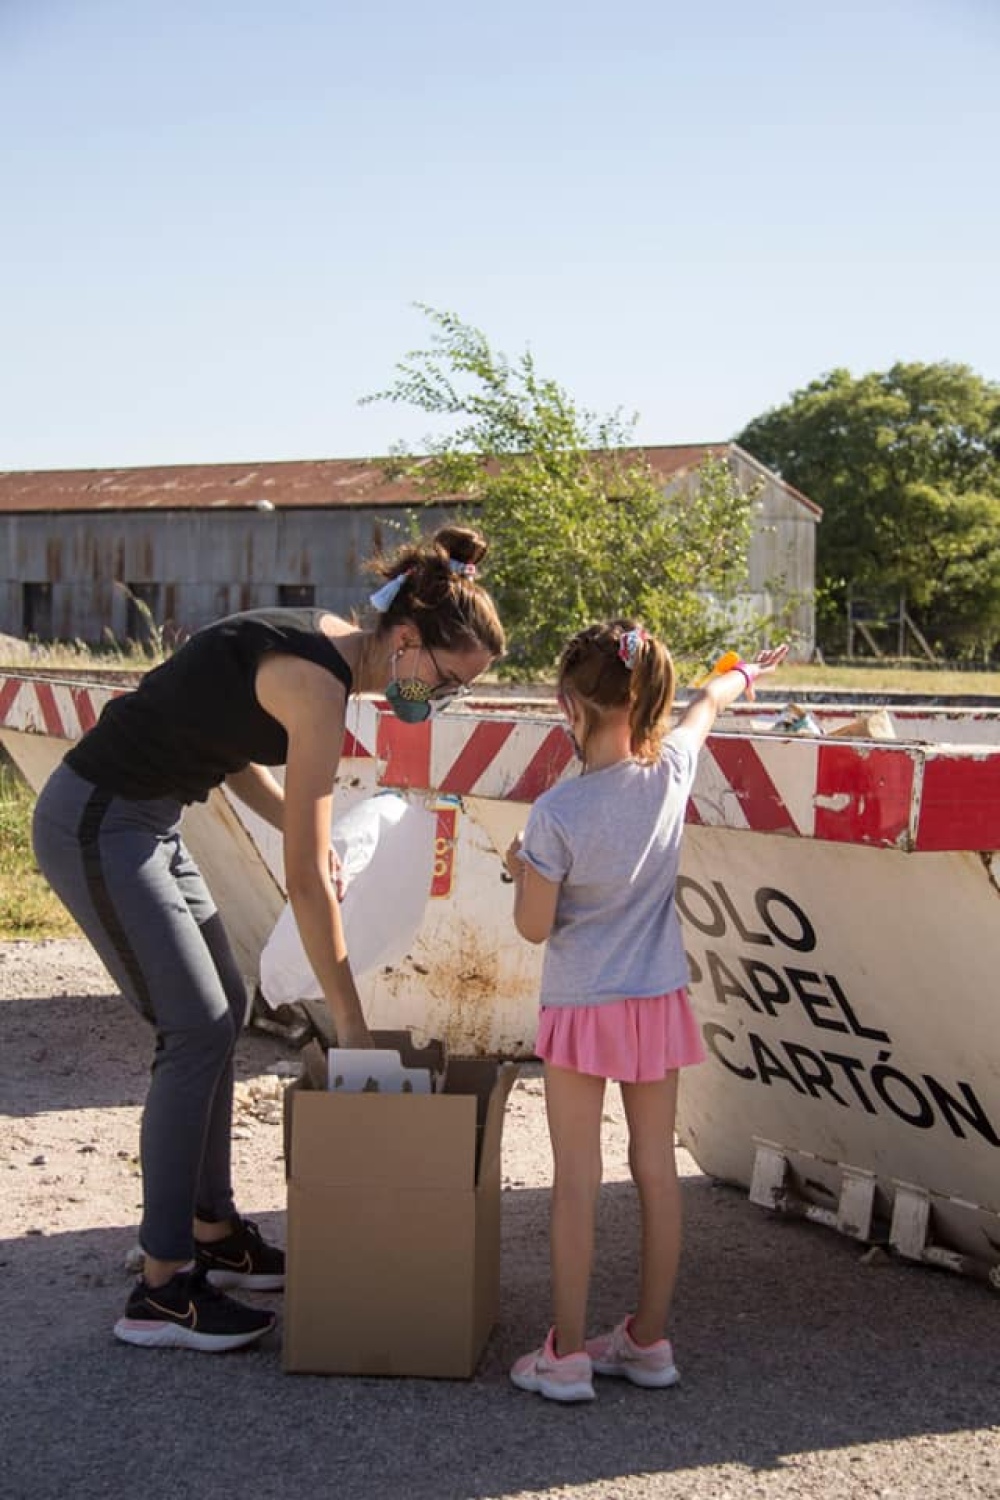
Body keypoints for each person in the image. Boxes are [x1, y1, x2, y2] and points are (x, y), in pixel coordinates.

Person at [31, 524, 505, 1353]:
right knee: (195, 1028)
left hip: (149, 822)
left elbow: (223, 742)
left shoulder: (325, 642)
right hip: (96, 823)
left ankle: (214, 1230)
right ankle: (163, 1288)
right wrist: (350, 1025)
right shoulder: (318, 689)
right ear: (406, 641)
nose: (443, 699)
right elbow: (307, 886)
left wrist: (298, 822)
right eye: (447, 680)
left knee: (226, 1009)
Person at [504, 622, 787, 1402]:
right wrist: (743, 673)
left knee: (575, 1179)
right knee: (655, 1169)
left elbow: (535, 925)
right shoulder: (673, 771)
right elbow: (708, 703)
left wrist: (522, 867)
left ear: (569, 704)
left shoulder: (556, 813)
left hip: (581, 1006)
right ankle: (649, 1340)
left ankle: (563, 1353)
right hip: (656, 998)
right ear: (644, 693)